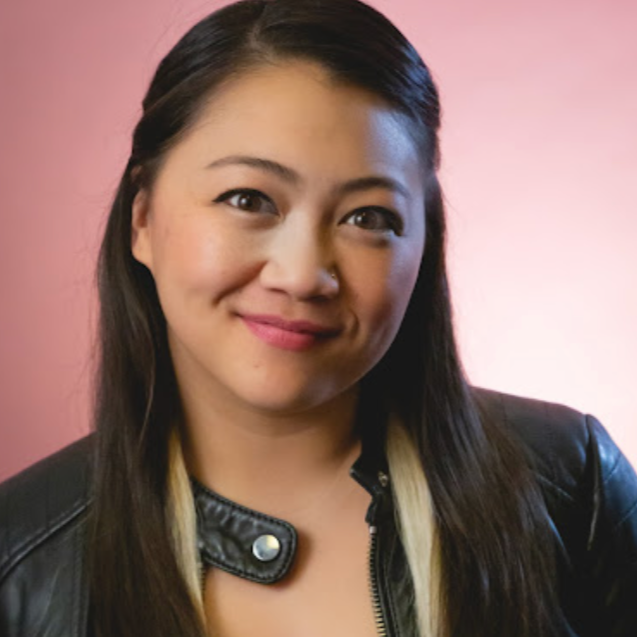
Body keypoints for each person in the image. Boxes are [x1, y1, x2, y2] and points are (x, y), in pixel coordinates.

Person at [1, 0, 636, 635]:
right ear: (142, 218)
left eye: (368, 217)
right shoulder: (18, 563)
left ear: (424, 245)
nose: (304, 274)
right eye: (248, 199)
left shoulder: (571, 486)